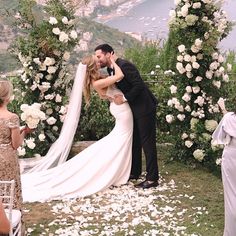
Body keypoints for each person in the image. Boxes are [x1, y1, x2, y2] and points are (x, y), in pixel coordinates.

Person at [21, 55, 133, 202]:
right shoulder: (98, 82)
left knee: (119, 141)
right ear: (93, 67)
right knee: (119, 141)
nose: (100, 61)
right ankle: (115, 172)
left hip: (120, 110)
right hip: (122, 112)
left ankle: (119, 172)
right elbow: (120, 75)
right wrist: (112, 60)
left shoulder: (98, 79)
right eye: (97, 60)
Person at [95, 44, 159, 189]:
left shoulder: (124, 65)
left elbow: (138, 85)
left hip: (144, 107)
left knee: (147, 143)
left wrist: (123, 98)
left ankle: (152, 178)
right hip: (134, 109)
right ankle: (135, 172)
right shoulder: (111, 68)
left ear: (109, 54)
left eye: (99, 56)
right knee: (135, 141)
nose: (98, 60)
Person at [0, 79, 32, 235]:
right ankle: (11, 225)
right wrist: (24, 131)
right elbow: (15, 144)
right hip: (7, 158)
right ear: (7, 97)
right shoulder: (11, 117)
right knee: (11, 191)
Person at [212, 98, 236, 236]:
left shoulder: (229, 118)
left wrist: (223, 109)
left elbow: (219, 137)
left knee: (231, 195)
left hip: (231, 156)